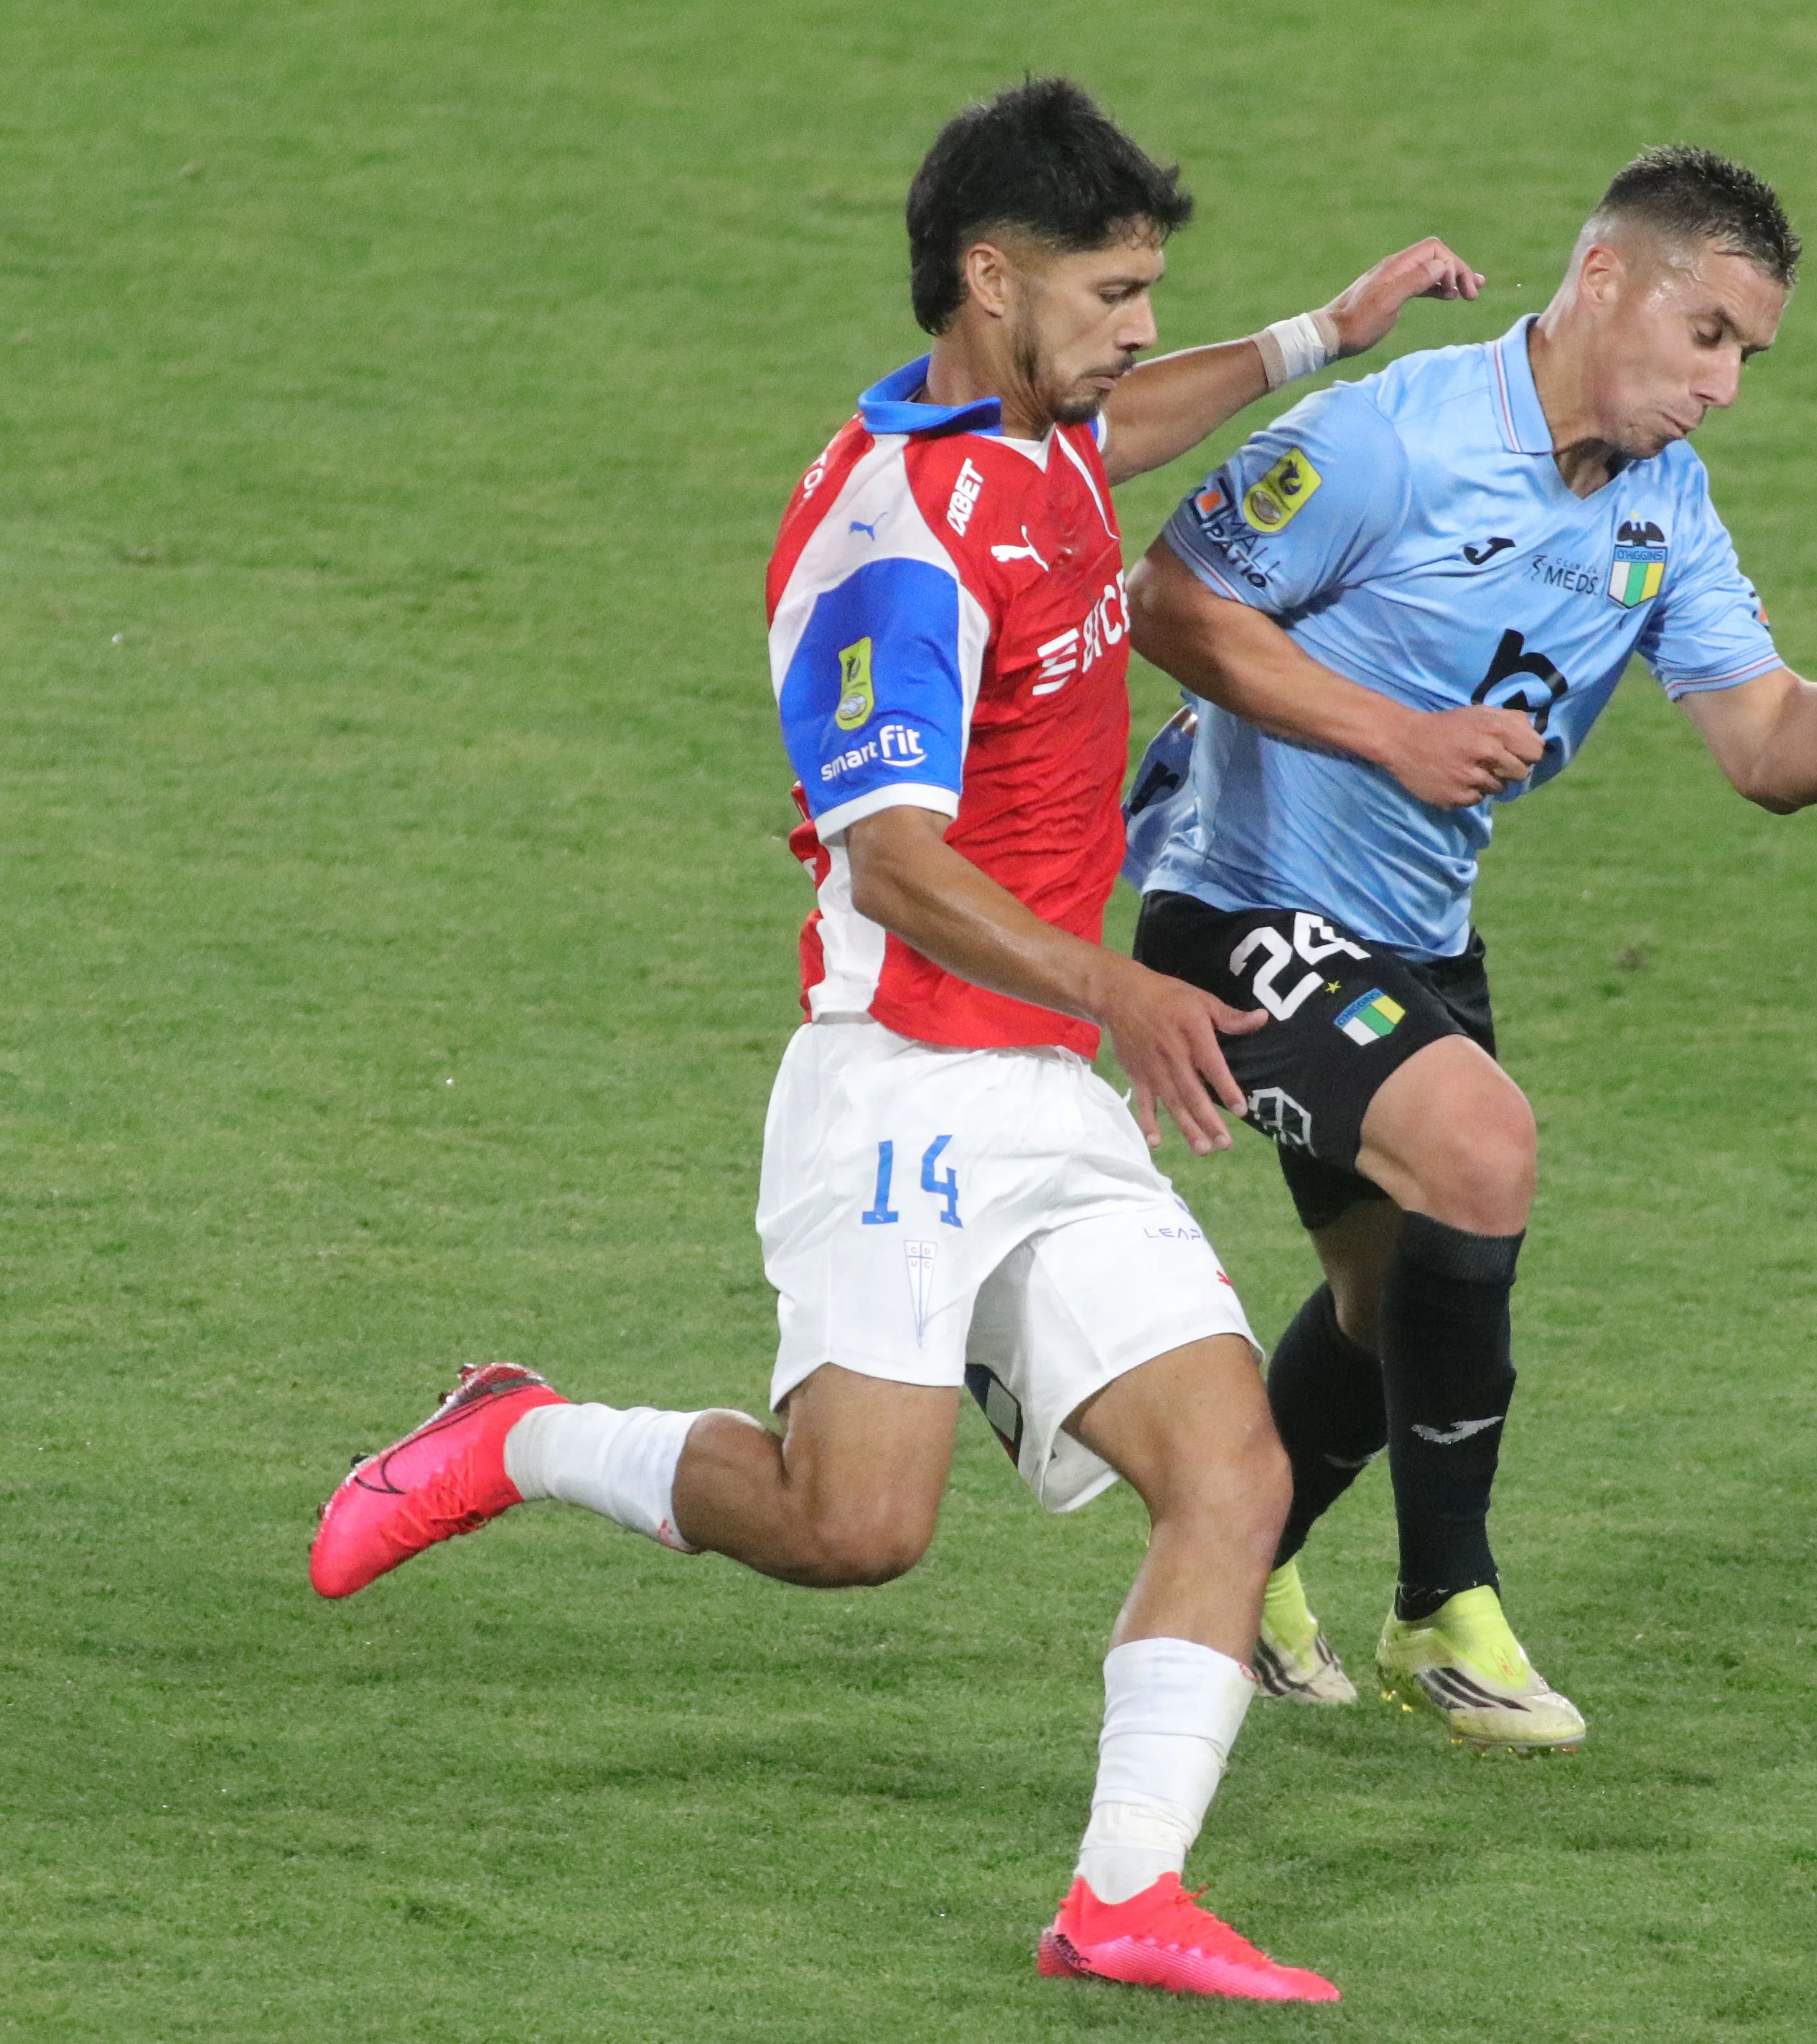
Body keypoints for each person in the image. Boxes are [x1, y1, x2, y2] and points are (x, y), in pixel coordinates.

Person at [307, 78, 1481, 2003]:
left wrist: (1317, 335)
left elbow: (1118, 435)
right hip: (904, 1082)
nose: (1136, 331)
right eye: (1112, 294)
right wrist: (1117, 985)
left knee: (1234, 1471)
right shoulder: (891, 545)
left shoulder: (1037, 431)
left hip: (1046, 1087)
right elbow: (897, 861)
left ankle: (1123, 1893)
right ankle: (520, 1433)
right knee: (852, 1527)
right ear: (990, 279)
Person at [1119, 146, 1817, 1752]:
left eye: (1748, 355)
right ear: (1602, 278)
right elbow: (1168, 604)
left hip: (1412, 933)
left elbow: (1763, 746)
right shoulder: (1390, 440)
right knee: (1480, 1146)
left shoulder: (1665, 506)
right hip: (1232, 897)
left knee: (1386, 1301)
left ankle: (1236, 1568)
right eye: (1706, 333)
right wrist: (1394, 734)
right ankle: (1443, 1611)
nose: (1722, 384)